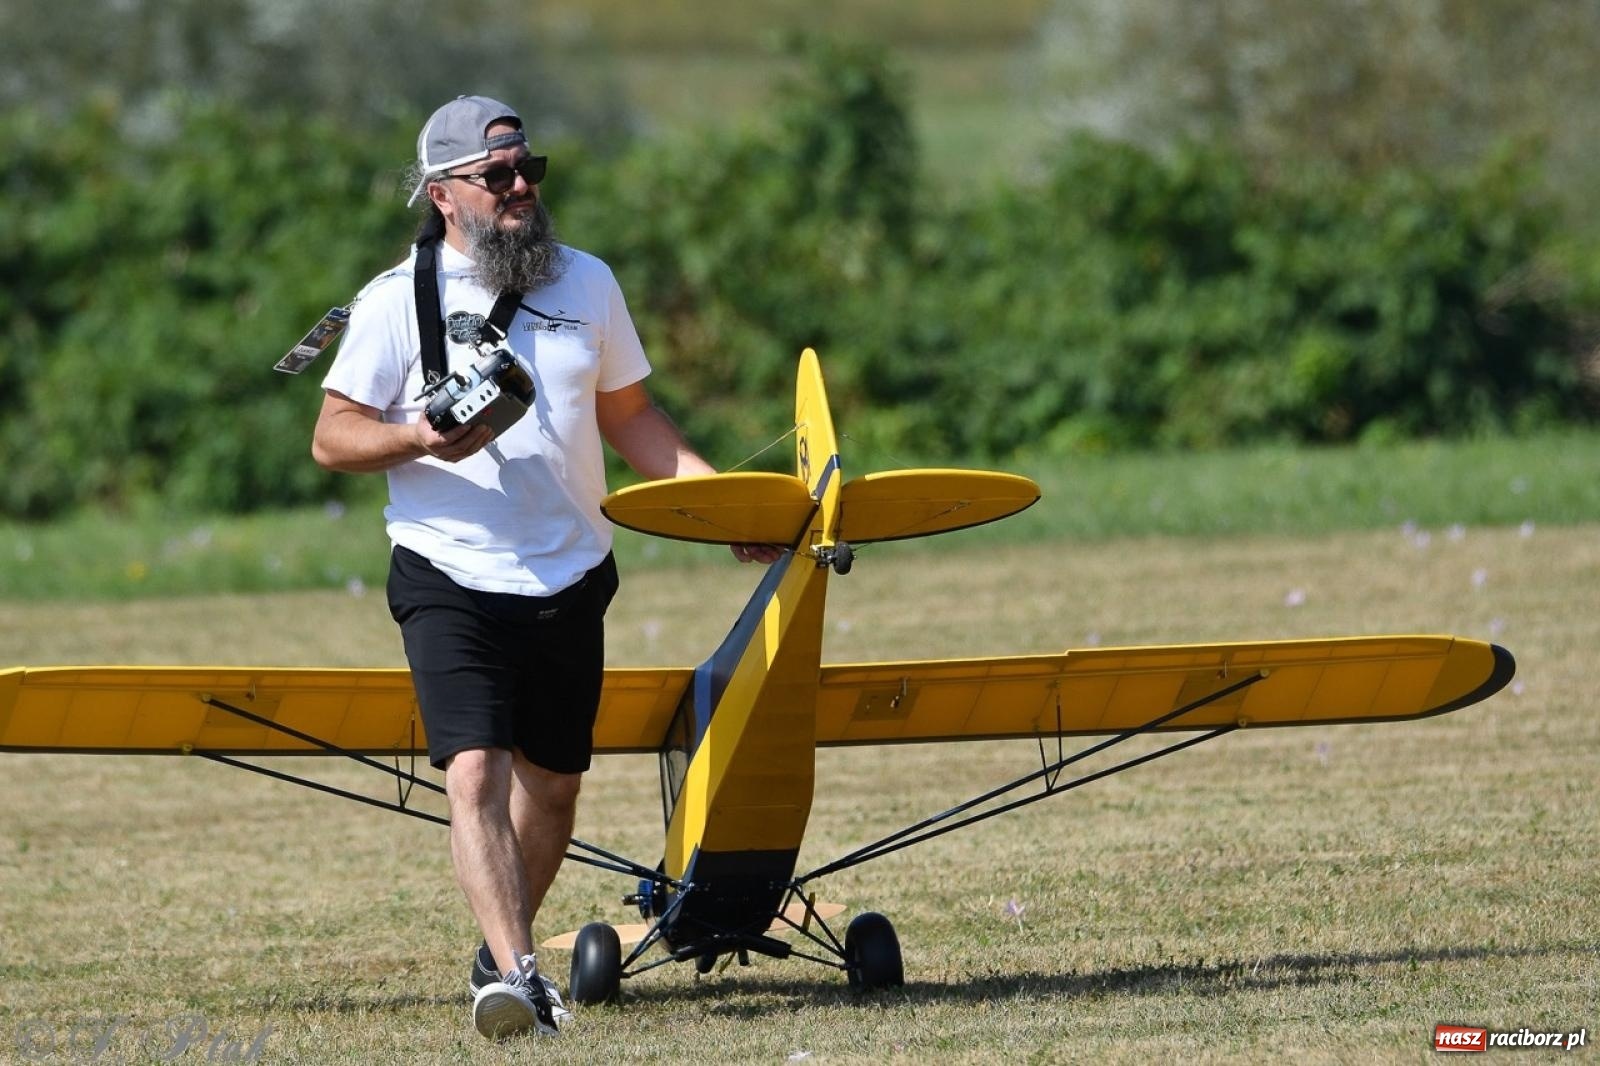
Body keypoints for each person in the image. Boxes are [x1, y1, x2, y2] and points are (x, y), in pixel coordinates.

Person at [311, 95, 777, 1040]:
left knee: (553, 785)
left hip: (570, 573)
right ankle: (520, 980)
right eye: (499, 177)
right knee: (474, 769)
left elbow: (633, 416)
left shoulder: (588, 282)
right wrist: (417, 438)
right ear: (444, 194)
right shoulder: (394, 300)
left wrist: (718, 502)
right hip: (448, 572)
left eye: (532, 169)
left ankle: (498, 947)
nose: (522, 187)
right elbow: (332, 436)